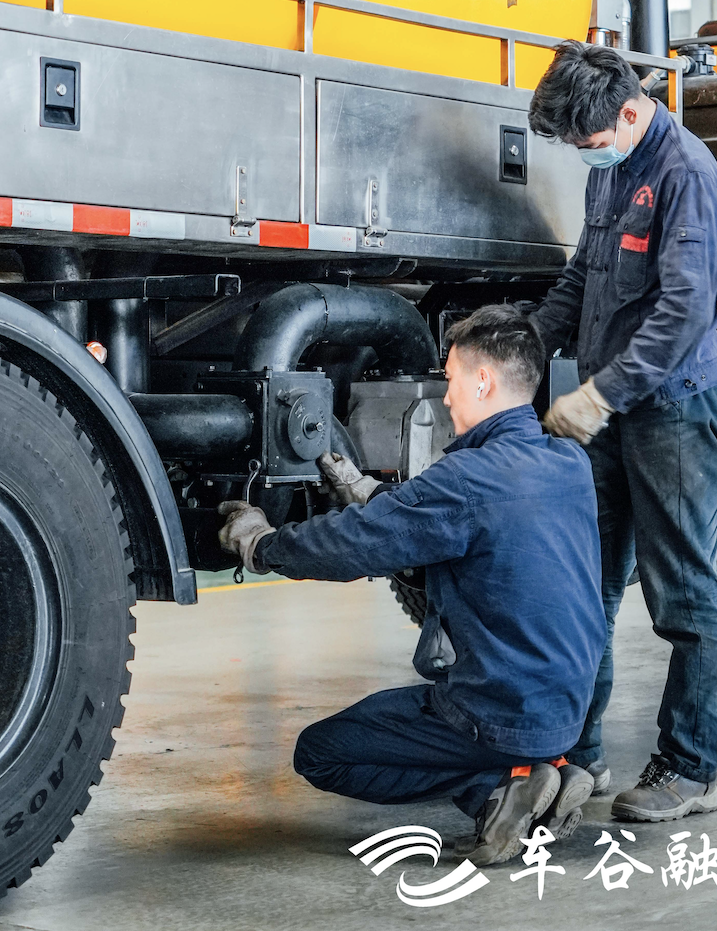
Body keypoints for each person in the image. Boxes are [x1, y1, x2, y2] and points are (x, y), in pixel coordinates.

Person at [217, 305, 606, 866]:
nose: (446, 398)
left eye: (451, 380)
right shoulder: (569, 463)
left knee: (320, 754)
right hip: (567, 709)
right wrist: (368, 491)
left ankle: (501, 784)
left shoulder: (466, 479)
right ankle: (540, 771)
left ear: (483, 381)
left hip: (499, 711)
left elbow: (354, 544)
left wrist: (263, 544)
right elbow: (465, 524)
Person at [528, 40, 717, 825]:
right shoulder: (612, 168)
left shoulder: (685, 172)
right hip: (612, 405)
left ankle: (690, 769)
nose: (585, 153)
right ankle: (576, 754)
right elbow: (584, 275)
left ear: (627, 111)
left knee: (680, 593)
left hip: (673, 406)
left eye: (588, 140)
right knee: (585, 585)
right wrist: (526, 344)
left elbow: (684, 312)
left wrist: (599, 396)